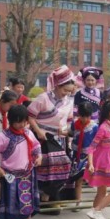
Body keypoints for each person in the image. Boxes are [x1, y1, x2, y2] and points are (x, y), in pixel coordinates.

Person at [0, 105, 42, 219]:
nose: (21, 124)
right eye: (18, 122)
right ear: (11, 120)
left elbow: (36, 146)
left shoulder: (28, 133)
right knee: (11, 203)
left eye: (24, 121)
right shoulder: (2, 137)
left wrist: (39, 157)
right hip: (9, 175)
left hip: (27, 173)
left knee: (27, 201)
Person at [28, 65, 75, 202]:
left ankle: (49, 195)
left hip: (58, 138)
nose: (66, 94)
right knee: (42, 168)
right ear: (57, 85)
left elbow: (67, 120)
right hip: (40, 138)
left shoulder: (68, 102)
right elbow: (30, 116)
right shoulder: (43, 98)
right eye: (65, 90)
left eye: (69, 91)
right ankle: (37, 196)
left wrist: (65, 132)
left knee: (64, 167)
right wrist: (38, 131)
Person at [68, 102, 99, 211]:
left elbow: (97, 142)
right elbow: (70, 134)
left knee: (81, 179)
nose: (84, 119)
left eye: (87, 116)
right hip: (75, 155)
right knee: (77, 180)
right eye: (82, 116)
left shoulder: (94, 127)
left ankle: (94, 201)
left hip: (88, 156)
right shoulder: (74, 124)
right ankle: (78, 201)